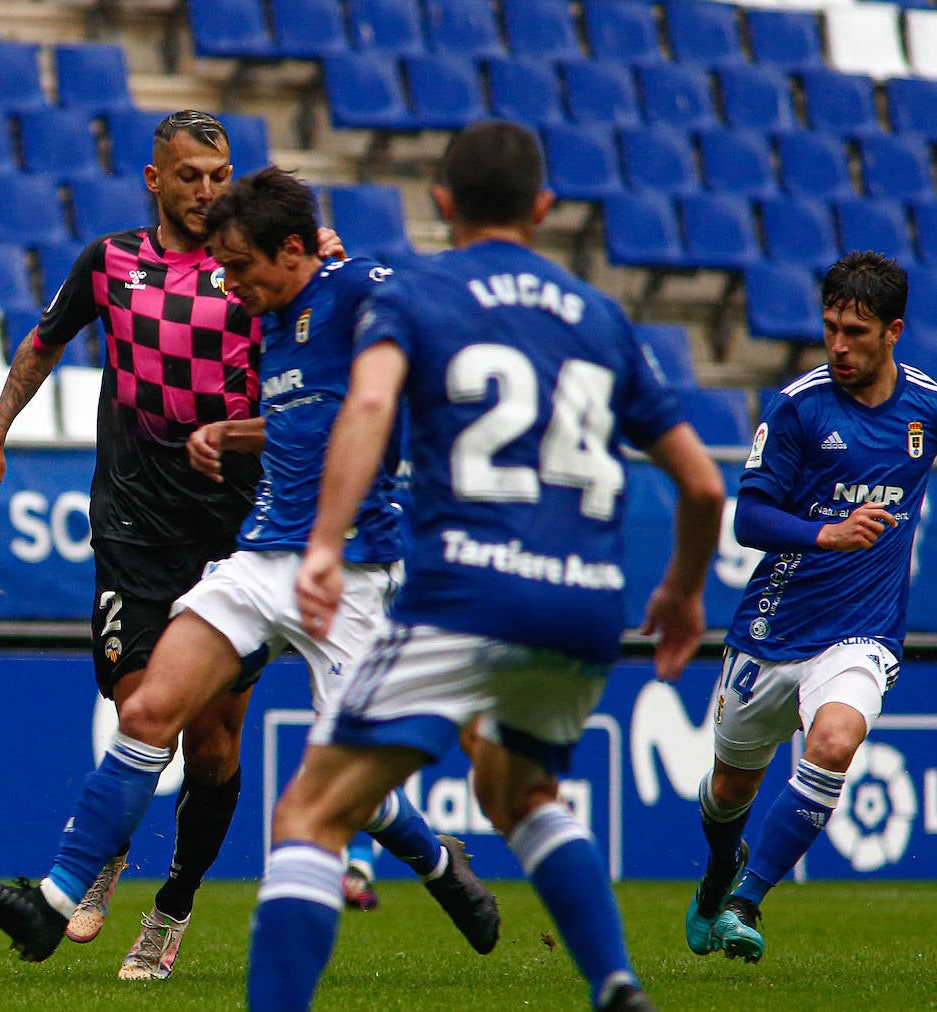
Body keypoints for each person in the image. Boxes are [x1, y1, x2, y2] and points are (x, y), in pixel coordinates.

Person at [0, 164, 501, 978]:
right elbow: (299, 420)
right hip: (261, 559)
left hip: (353, 575)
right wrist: (229, 435)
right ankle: (53, 903)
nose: (228, 284)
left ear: (291, 251)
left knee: (347, 785)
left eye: (239, 268)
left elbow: (442, 324)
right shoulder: (271, 315)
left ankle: (433, 859)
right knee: (149, 709)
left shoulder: (356, 289)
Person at [246, 120, 725, 1012]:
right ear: (544, 208)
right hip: (583, 608)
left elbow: (369, 403)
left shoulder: (417, 296)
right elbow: (702, 488)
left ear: (441, 203)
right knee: (519, 790)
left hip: (464, 590)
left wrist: (322, 545)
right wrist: (685, 590)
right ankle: (617, 984)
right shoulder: (600, 316)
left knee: (310, 817)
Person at [0, 109, 344, 977]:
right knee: (140, 712)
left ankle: (172, 908)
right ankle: (101, 855)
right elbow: (44, 343)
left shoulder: (255, 271)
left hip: (239, 529)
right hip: (134, 522)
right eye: (190, 175)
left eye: (218, 175)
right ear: (153, 181)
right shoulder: (110, 261)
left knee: (213, 744)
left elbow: (325, 345)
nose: (206, 190)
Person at [683, 250, 937, 964]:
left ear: (894, 331)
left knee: (833, 743)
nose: (838, 346)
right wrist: (825, 532)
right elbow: (750, 519)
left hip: (862, 633)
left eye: (855, 331)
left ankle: (744, 901)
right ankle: (716, 874)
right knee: (731, 787)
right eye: (829, 328)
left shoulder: (932, 402)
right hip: (773, 626)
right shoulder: (798, 409)